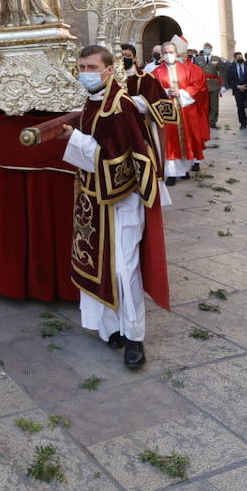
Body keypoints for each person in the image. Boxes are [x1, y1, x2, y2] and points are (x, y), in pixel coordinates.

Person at [60, 46, 172, 370]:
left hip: (122, 201)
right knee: (100, 265)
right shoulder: (92, 103)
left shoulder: (120, 107)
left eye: (92, 66)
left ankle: (134, 337)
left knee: (124, 270)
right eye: (81, 66)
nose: (86, 72)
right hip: (94, 200)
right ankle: (111, 329)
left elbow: (121, 159)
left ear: (108, 70)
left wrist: (74, 140)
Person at [151, 41, 209, 184]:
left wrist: (182, 92)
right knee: (170, 142)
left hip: (185, 110)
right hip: (167, 112)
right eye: (165, 52)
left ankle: (184, 170)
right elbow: (151, 92)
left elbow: (198, 86)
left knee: (187, 140)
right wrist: (165, 91)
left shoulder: (188, 69)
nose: (168, 55)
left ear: (176, 53)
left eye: (171, 52)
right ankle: (171, 173)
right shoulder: (155, 73)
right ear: (161, 55)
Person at [193, 43, 223, 128]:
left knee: (214, 105)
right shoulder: (198, 59)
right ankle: (204, 121)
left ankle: (212, 122)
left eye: (208, 48)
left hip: (214, 85)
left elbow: (221, 72)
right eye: (205, 48)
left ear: (211, 49)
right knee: (203, 104)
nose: (207, 49)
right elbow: (195, 72)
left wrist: (223, 85)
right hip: (202, 85)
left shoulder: (217, 59)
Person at [224, 52, 247, 128]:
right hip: (237, 89)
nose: (240, 59)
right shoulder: (231, 67)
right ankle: (242, 122)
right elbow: (229, 79)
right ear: (235, 59)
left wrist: (246, 86)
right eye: (238, 58)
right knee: (240, 106)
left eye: (241, 57)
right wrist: (237, 86)